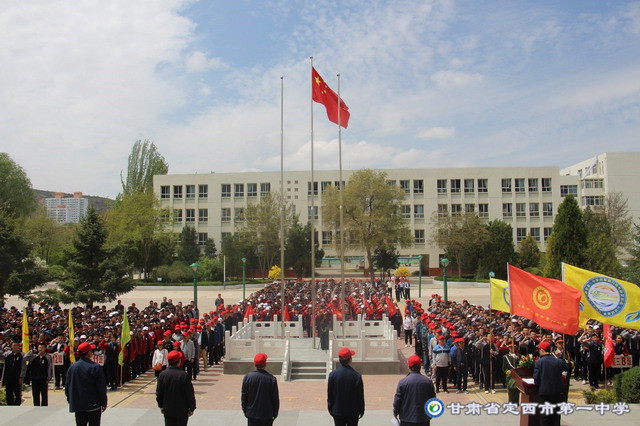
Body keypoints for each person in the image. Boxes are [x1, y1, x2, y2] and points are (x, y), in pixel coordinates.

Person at [66, 342, 108, 426]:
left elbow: (68, 385)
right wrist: (103, 402)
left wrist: (70, 400)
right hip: (93, 404)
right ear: (88, 353)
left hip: (78, 404)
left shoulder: (72, 367)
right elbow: (101, 387)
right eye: (91, 351)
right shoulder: (95, 367)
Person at [393, 355, 436, 426]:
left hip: (406, 419)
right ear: (420, 366)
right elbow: (432, 399)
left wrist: (395, 412)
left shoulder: (403, 382)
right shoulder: (428, 382)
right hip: (423, 418)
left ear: (409, 366)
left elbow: (397, 400)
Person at [156, 350, 196, 426]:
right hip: (182, 409)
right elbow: (189, 393)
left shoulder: (162, 375)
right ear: (179, 361)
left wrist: (161, 406)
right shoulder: (184, 375)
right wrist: (192, 407)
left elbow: (159, 393)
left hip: (168, 409)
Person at [327, 347, 365, 426]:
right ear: (350, 360)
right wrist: (361, 409)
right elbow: (360, 395)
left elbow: (330, 394)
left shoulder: (333, 375)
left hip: (338, 410)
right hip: (353, 412)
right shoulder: (356, 376)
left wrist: (330, 408)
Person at [533, 341, 567, 426]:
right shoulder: (558, 361)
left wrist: (537, 386)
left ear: (542, 350)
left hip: (545, 392)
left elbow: (536, 379)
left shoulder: (539, 362)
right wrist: (559, 357)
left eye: (539, 350)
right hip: (557, 391)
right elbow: (567, 367)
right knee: (556, 415)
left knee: (545, 416)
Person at [241, 353, 279, 426]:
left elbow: (244, 397)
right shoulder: (271, 379)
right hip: (267, 415)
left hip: (252, 414)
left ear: (254, 364)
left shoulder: (247, 378)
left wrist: (245, 411)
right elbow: (275, 399)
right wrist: (275, 413)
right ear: (265, 364)